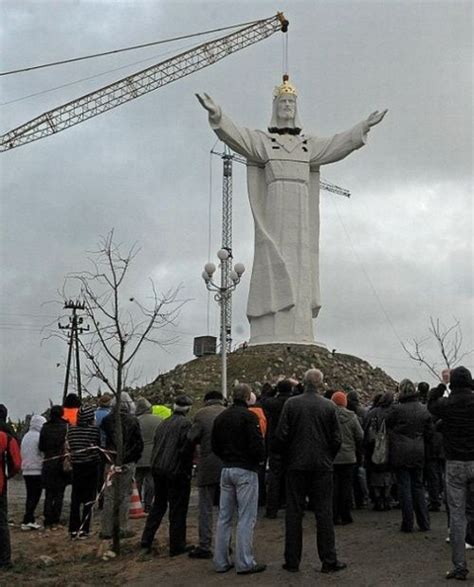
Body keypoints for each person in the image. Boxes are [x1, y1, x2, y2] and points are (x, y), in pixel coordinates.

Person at [196, 80, 387, 346]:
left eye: (291, 103)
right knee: (274, 260)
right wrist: (218, 115)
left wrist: (363, 126)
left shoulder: (307, 146)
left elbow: (337, 144)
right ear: (275, 108)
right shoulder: (265, 142)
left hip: (301, 216)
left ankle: (299, 327)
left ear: (296, 109)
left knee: (301, 266)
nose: (287, 106)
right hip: (275, 212)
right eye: (283, 102)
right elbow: (238, 137)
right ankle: (270, 325)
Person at [273, 369, 345, 574]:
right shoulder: (329, 406)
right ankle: (329, 560)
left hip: (296, 465)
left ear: (302, 383)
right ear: (320, 384)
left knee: (294, 513)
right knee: (324, 513)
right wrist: (328, 457)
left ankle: (292, 560)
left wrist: (287, 457)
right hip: (322, 466)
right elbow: (336, 439)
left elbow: (281, 435)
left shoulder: (291, 404)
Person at [211, 383, 266, 575]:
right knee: (246, 517)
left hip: (226, 468)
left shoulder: (221, 418)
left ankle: (220, 561)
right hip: (246, 470)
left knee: (224, 517)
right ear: (247, 396)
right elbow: (257, 445)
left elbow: (214, 445)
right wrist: (258, 460)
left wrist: (227, 457)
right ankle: (245, 562)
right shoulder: (249, 417)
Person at [428, 366, 474, 581]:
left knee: (456, 515)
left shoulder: (446, 405)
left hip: (455, 463)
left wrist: (441, 385)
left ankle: (459, 565)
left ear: (453, 383)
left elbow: (431, 403)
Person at [140, 395, 195, 557]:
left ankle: (146, 539)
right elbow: (186, 449)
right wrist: (187, 471)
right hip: (176, 471)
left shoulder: (164, 423)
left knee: (158, 505)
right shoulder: (186, 424)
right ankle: (177, 545)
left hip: (158, 468)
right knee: (177, 509)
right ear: (188, 409)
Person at [385, 379, 433, 533]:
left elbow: (387, 425)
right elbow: (429, 433)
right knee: (418, 487)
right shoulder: (423, 409)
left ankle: (407, 523)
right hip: (418, 451)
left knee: (404, 488)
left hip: (400, 452)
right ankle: (424, 522)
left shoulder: (396, 410)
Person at [187, 390, 226, 559]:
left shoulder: (201, 415)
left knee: (205, 508)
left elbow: (191, 437)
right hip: (228, 465)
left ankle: (205, 545)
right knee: (227, 508)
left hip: (208, 465)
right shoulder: (228, 412)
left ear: (206, 400)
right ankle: (226, 544)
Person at [100, 392, 143, 539]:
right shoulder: (133, 420)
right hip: (128, 461)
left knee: (109, 496)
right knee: (125, 495)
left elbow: (102, 441)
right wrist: (133, 458)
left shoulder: (106, 420)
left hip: (110, 461)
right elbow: (138, 443)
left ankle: (106, 529)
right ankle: (123, 527)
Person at [67, 405, 101, 538]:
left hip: (76, 467)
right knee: (89, 499)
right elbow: (97, 447)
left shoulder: (71, 431)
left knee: (75, 498)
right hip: (91, 466)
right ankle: (85, 528)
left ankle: (73, 528)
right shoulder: (94, 431)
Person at [331, 391, 363, 525]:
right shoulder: (352, 417)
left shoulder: (329, 416)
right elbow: (360, 435)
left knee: (333, 487)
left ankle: (334, 515)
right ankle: (346, 515)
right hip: (349, 457)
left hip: (332, 457)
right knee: (346, 487)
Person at [262, 378, 293, 518]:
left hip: (274, 443)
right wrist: (297, 384)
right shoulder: (294, 402)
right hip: (292, 444)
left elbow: (264, 398)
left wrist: (273, 388)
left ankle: (271, 510)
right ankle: (293, 508)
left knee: (274, 477)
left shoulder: (272, 403)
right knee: (292, 477)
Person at [39, 405, 68, 529]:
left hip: (48, 462)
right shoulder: (66, 427)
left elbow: (41, 446)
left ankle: (47, 518)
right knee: (60, 492)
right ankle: (56, 517)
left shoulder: (45, 427)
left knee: (49, 492)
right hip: (61, 462)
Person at [363, 391, 394, 511]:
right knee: (388, 476)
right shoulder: (394, 412)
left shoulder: (372, 413)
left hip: (373, 449)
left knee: (375, 476)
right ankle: (386, 499)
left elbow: (365, 430)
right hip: (390, 448)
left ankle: (377, 500)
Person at [135, 397, 162, 513]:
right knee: (151, 481)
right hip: (153, 453)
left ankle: (137, 503)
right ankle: (148, 503)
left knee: (138, 480)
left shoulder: (135, 420)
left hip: (138, 453)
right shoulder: (159, 420)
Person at [0, 419, 21, 569]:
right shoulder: (7, 438)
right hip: (0, 485)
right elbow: (17, 463)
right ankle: (4, 560)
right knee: (1, 522)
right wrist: (9, 476)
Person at [20, 414, 46, 530]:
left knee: (29, 495)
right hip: (36, 469)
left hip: (26, 469)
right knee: (35, 496)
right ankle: (28, 519)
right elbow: (41, 452)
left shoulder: (26, 436)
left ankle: (28, 518)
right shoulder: (39, 437)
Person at [94, 393, 113, 509]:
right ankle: (107, 499)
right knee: (109, 474)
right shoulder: (110, 415)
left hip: (96, 447)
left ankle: (100, 498)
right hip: (108, 447)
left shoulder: (94, 414)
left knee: (99, 474)